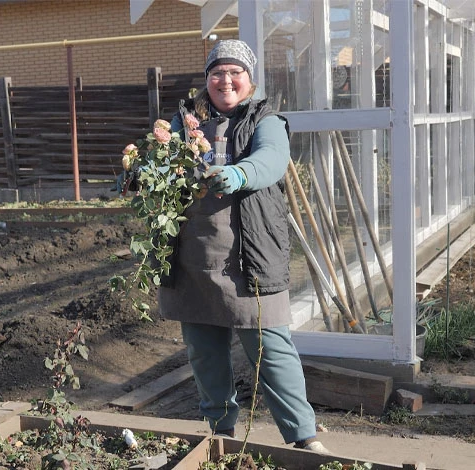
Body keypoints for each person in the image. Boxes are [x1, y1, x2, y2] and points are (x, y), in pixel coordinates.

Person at [158, 39, 331, 455]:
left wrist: (239, 173)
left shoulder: (264, 120)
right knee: (204, 351)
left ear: (250, 81)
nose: (226, 80)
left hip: (251, 252)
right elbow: (159, 161)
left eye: (235, 72)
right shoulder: (184, 122)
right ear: (207, 80)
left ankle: (303, 435)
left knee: (271, 350)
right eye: (217, 72)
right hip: (195, 254)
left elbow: (271, 158)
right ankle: (220, 432)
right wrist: (139, 172)